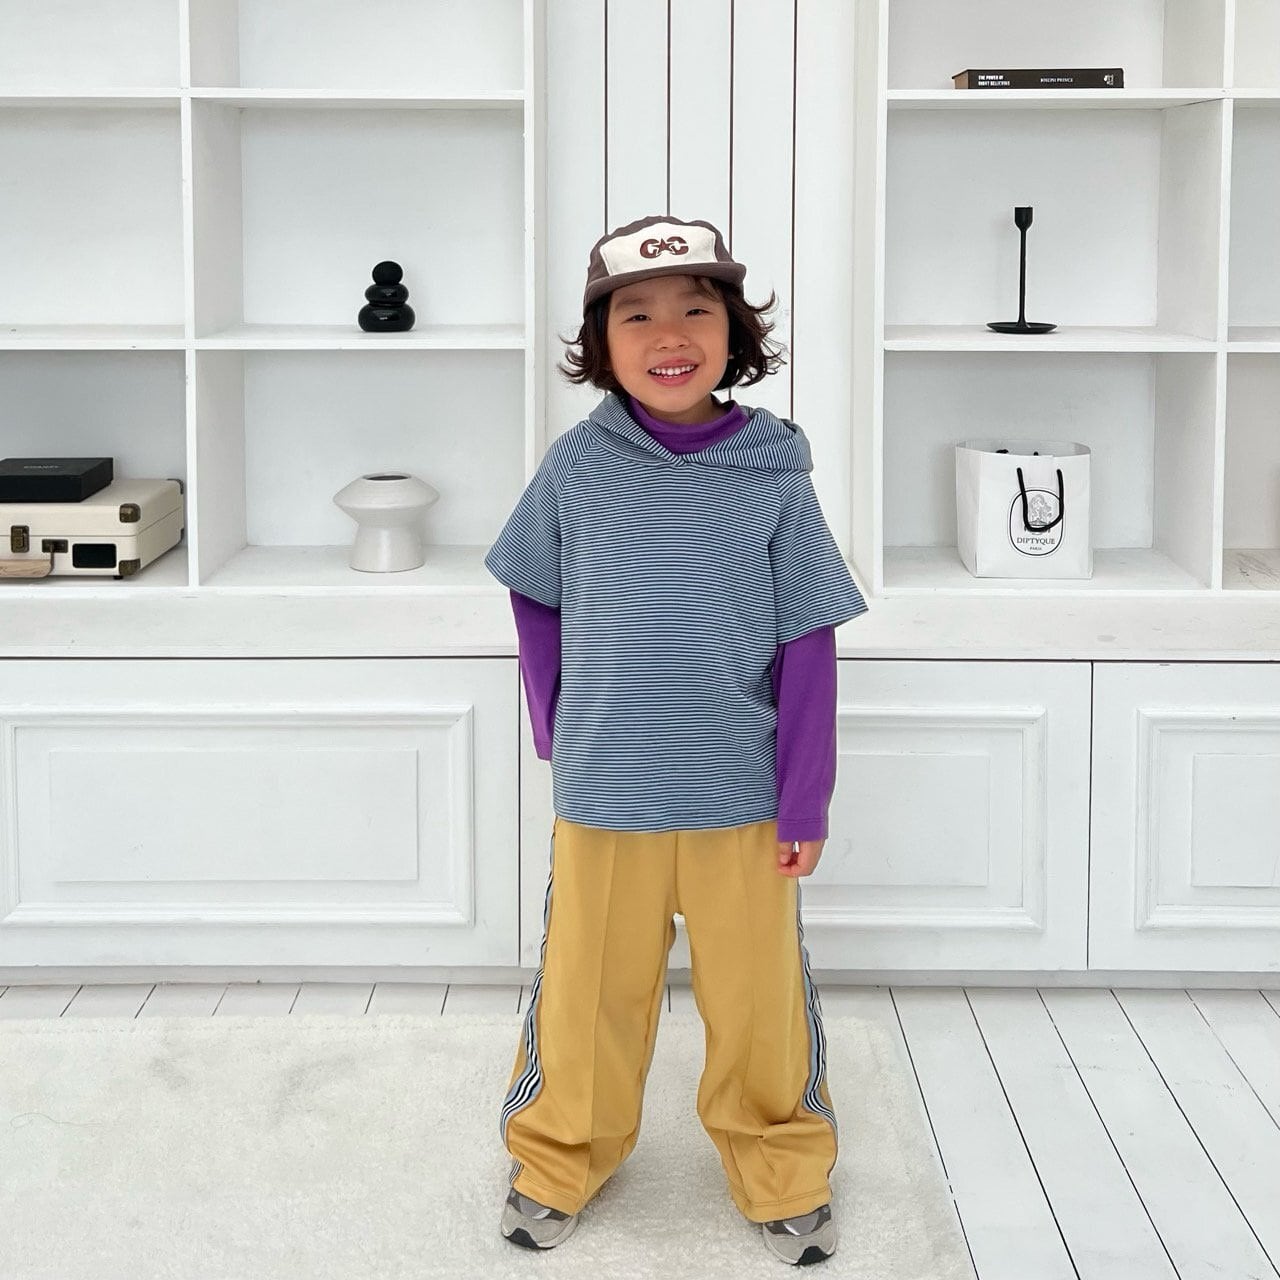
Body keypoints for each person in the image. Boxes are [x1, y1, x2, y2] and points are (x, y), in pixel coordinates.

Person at [483, 213, 869, 1266]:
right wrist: (559, 727)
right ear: (600, 344)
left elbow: (808, 640)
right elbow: (532, 593)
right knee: (586, 995)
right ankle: (558, 1157)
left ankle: (779, 1164)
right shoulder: (575, 467)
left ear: (732, 332)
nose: (669, 335)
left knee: (759, 1003)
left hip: (740, 793)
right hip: (607, 794)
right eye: (637, 315)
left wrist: (805, 797)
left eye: (696, 309)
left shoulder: (774, 472)